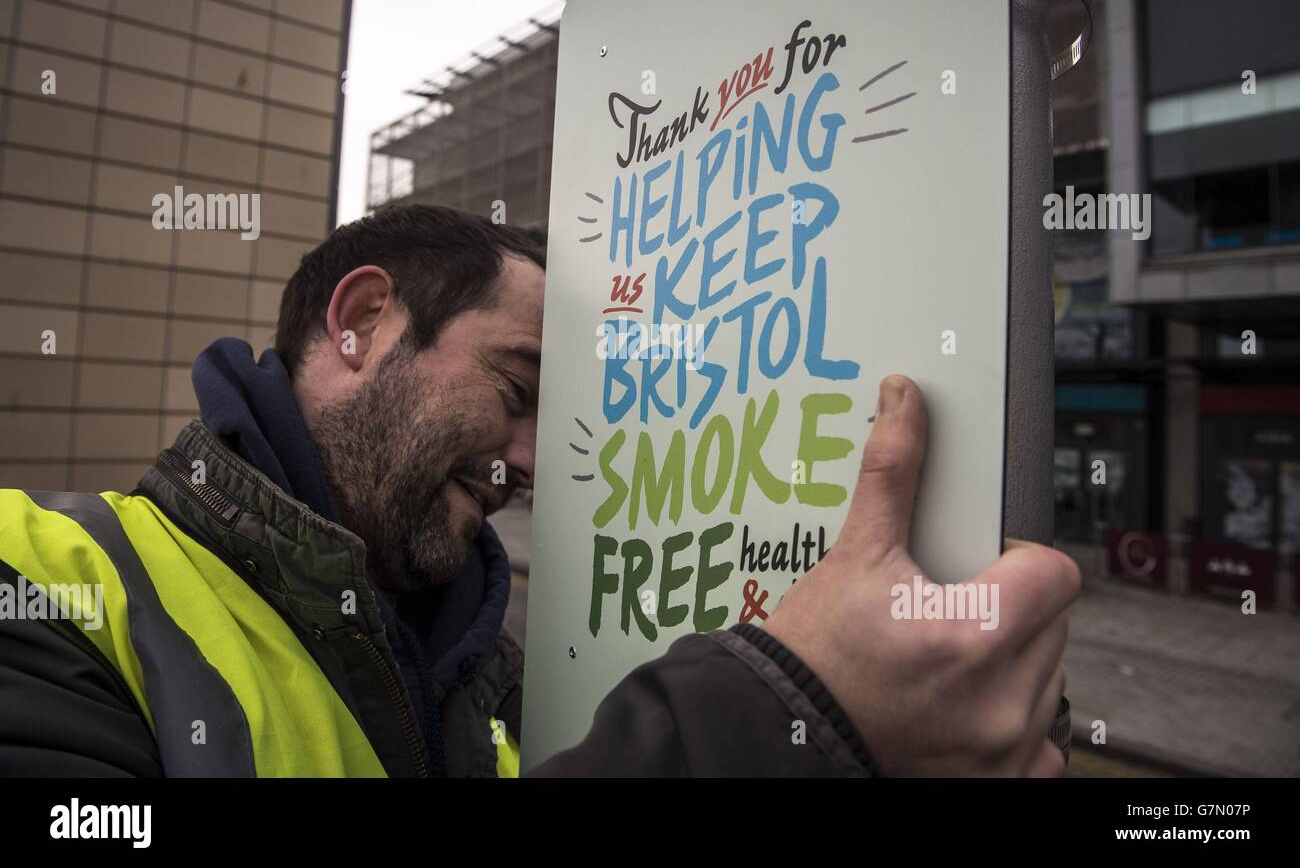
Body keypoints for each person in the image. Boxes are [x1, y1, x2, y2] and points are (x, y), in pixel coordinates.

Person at [0, 204, 1078, 777]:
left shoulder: (497, 684)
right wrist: (773, 721)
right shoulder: (49, 584)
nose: (527, 456)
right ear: (363, 322)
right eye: (515, 388)